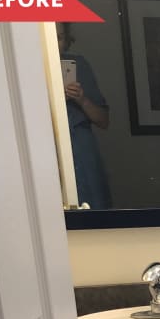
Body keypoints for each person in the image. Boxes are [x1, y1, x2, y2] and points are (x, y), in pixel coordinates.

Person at [56, 23, 112, 209]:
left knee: (92, 207)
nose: (56, 44)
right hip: (43, 149)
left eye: (60, 37)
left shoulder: (79, 65)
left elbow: (103, 120)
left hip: (81, 146)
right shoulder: (22, 70)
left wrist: (81, 99)